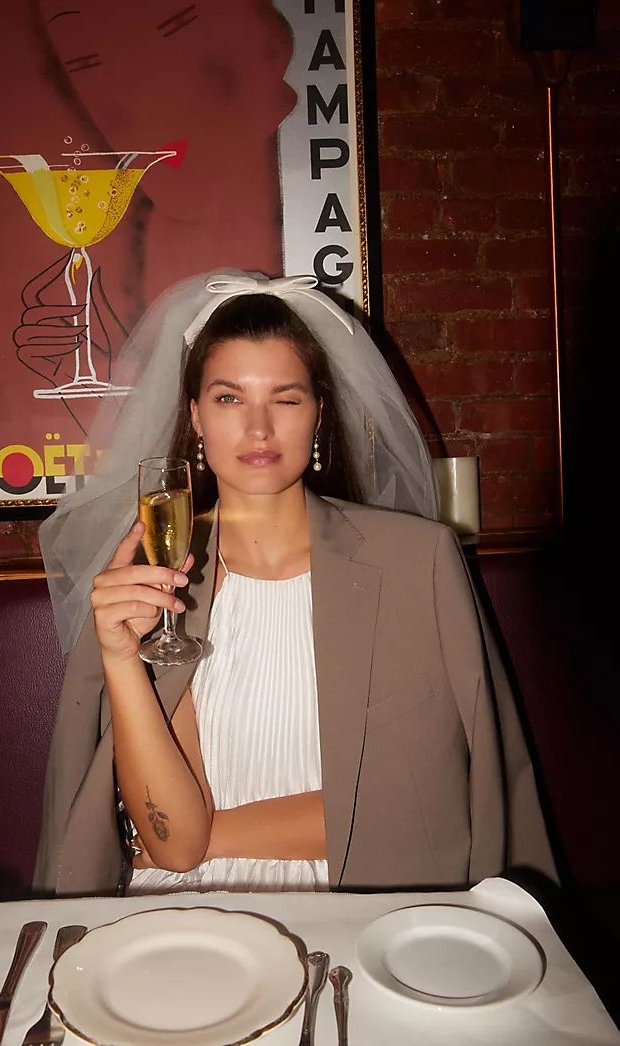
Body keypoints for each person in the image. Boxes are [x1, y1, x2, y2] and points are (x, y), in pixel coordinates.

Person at [34, 271, 557, 897]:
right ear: (196, 417)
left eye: (285, 399)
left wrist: (217, 835)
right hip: (183, 917)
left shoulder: (415, 562)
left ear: (318, 415)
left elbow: (425, 806)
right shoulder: (148, 575)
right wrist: (121, 659)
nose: (259, 428)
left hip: (369, 902)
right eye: (229, 398)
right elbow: (172, 844)